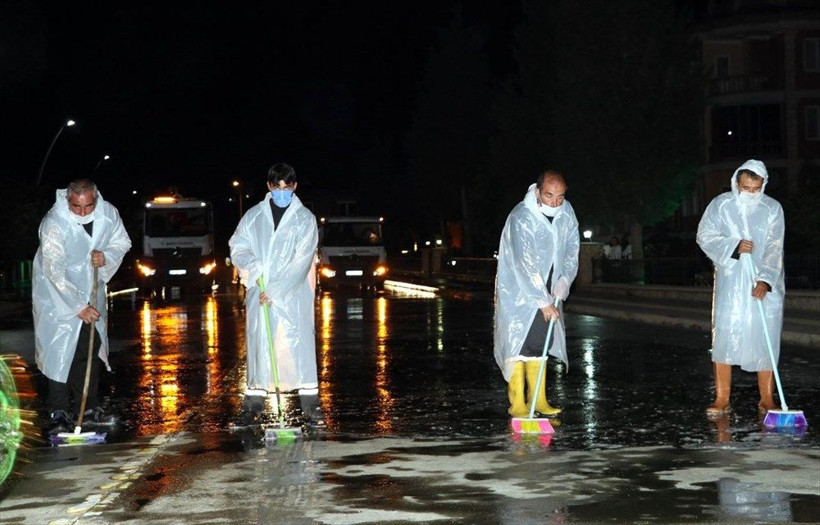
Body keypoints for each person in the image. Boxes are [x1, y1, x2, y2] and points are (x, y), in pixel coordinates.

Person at [32, 179, 132, 434]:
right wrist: (77, 306)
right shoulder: (54, 223)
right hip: (57, 298)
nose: (83, 211)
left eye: (88, 206)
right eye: (76, 206)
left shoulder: (108, 213)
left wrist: (106, 256)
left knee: (89, 350)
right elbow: (54, 270)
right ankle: (58, 412)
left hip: (92, 292)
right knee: (60, 354)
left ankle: (88, 408)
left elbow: (122, 241)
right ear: (68, 200)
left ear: (95, 198)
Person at [228, 162, 321, 425]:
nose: (282, 190)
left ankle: (311, 407)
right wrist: (253, 267)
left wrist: (276, 290)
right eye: (277, 185)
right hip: (260, 293)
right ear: (269, 186)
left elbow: (302, 260)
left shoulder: (305, 219)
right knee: (260, 349)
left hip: (294, 296)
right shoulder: (253, 217)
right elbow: (238, 245)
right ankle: (252, 407)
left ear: (294, 186)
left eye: (287, 185)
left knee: (298, 350)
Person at [696, 159, 785, 415]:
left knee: (765, 338)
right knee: (725, 337)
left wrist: (765, 280)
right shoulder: (721, 205)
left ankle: (767, 399)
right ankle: (722, 398)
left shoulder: (772, 208)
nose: (750, 193)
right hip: (732, 282)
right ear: (737, 182)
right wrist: (733, 246)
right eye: (746, 187)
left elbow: (775, 247)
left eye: (756, 188)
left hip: (762, 285)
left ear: (763, 185)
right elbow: (704, 235)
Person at [494, 170, 580, 418]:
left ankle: (538, 399)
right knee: (517, 344)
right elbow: (525, 262)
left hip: (550, 292)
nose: (555, 202)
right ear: (538, 191)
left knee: (540, 344)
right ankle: (517, 402)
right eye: (549, 195)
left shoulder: (566, 212)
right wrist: (541, 300)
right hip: (520, 294)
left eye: (560, 197)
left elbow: (572, 248)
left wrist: (565, 280)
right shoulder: (522, 216)